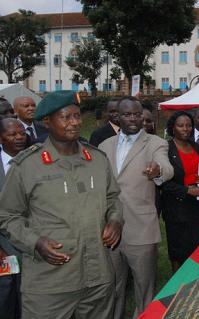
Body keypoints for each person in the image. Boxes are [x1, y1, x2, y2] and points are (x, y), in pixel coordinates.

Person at [0, 90, 124, 318]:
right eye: (66, 117)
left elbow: (113, 198)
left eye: (77, 116)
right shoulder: (26, 166)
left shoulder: (97, 160)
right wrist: (35, 242)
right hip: (50, 282)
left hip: (97, 276)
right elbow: (7, 216)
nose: (75, 122)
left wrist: (115, 220)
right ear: (46, 122)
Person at [99, 97, 174, 319]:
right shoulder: (104, 146)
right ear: (117, 117)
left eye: (137, 114)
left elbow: (166, 167)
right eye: (127, 114)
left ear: (142, 116)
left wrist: (158, 170)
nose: (133, 118)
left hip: (140, 229)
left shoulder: (155, 143)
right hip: (108, 229)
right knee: (112, 287)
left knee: (144, 290)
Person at [161, 111, 199, 272]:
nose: (185, 129)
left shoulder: (197, 148)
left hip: (197, 207)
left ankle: (195, 279)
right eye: (181, 125)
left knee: (197, 246)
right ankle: (177, 283)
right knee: (178, 249)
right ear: (173, 128)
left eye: (188, 125)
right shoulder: (166, 149)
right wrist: (186, 190)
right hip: (176, 207)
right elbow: (162, 182)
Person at [0, 118, 27, 319]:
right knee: (5, 293)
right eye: (12, 134)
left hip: (30, 240)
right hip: (3, 244)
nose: (19, 138)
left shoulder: (35, 162)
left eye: (22, 133)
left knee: (26, 293)